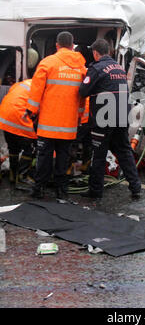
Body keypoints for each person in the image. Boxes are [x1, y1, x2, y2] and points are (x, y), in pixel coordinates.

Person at [24, 31, 87, 199]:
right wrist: (79, 118)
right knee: (63, 158)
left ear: (57, 45)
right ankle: (62, 190)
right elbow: (83, 97)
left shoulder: (48, 63)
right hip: (68, 125)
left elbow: (36, 91)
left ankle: (39, 189)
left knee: (44, 157)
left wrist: (31, 111)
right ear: (72, 45)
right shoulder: (81, 68)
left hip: (48, 124)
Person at [79, 38, 142, 201]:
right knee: (124, 152)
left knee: (98, 154)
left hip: (104, 118)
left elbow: (83, 91)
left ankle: (95, 191)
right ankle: (136, 187)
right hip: (122, 116)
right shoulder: (119, 68)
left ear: (95, 53)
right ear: (109, 51)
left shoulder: (96, 68)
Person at [0, 79, 37, 187]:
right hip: (20, 116)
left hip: (5, 117)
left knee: (13, 147)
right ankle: (22, 177)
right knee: (30, 147)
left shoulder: (23, 83)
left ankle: (13, 174)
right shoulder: (41, 88)